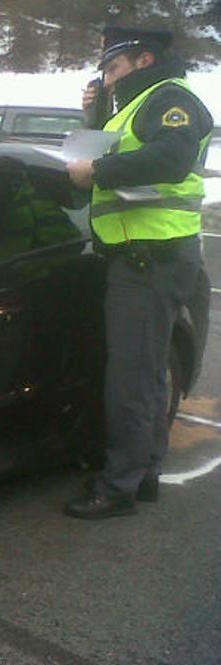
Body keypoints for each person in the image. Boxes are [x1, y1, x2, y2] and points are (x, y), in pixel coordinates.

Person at [64, 25, 213, 519]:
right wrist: (95, 118)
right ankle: (143, 472)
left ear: (143, 60)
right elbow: (125, 151)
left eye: (113, 68)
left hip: (150, 259)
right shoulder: (138, 102)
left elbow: (171, 158)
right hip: (146, 257)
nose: (107, 79)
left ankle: (118, 488)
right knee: (146, 376)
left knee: (130, 381)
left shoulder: (170, 99)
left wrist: (97, 172)